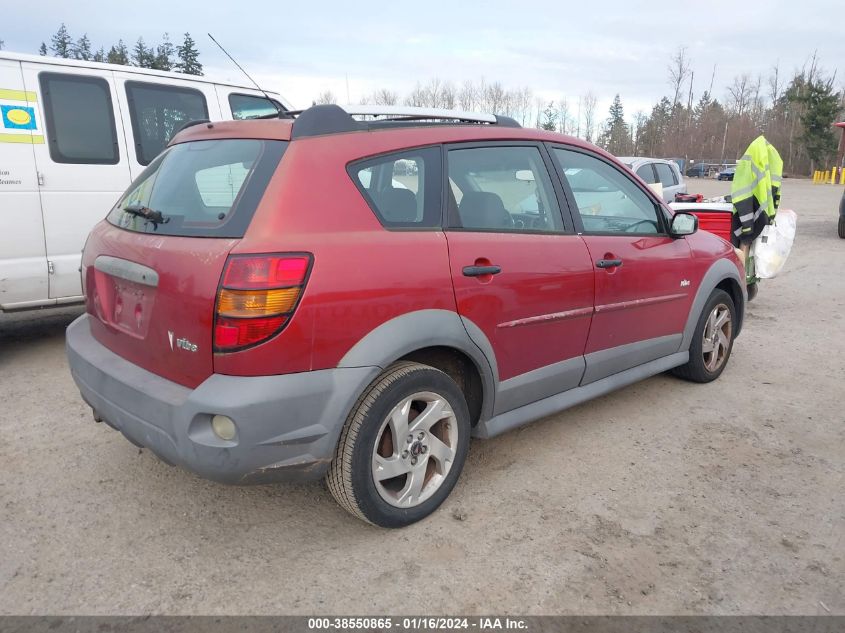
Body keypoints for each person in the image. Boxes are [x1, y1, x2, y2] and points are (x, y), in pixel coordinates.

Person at [731, 134, 783, 259]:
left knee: (744, 242)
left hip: (747, 213)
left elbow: (740, 194)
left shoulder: (747, 162)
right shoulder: (773, 161)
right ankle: (747, 272)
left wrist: (747, 225)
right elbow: (776, 193)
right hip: (762, 212)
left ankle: (741, 274)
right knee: (750, 245)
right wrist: (772, 214)